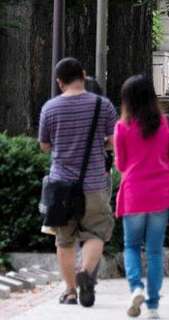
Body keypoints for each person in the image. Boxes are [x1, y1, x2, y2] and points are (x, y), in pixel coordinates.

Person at [39, 58, 119, 307]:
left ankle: (71, 291)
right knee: (96, 232)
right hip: (95, 183)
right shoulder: (102, 104)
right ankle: (85, 271)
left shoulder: (50, 108)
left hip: (61, 185)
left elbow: (44, 146)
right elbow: (114, 140)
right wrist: (100, 144)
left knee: (64, 239)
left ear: (59, 82)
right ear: (83, 75)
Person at [114, 75, 169, 319]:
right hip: (160, 195)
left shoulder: (122, 127)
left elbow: (120, 164)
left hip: (133, 195)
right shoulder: (168, 124)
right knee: (154, 251)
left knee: (131, 246)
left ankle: (136, 288)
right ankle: (153, 305)